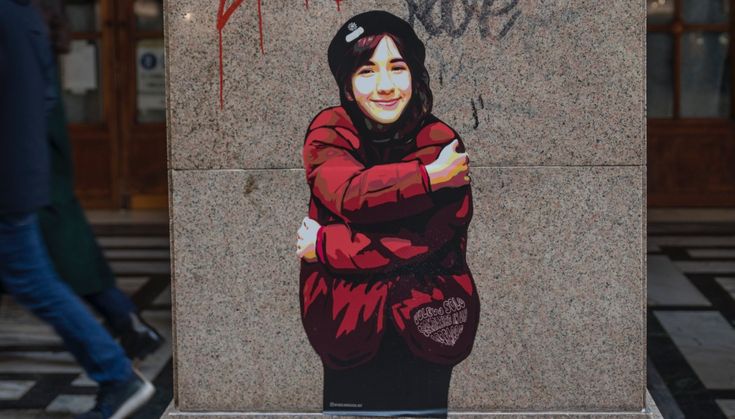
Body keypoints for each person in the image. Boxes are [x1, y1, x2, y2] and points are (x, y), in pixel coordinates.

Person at [296, 10, 480, 417]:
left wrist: (326, 244)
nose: (384, 86)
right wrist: (427, 180)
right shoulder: (329, 131)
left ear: (414, 75)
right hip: (345, 325)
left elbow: (420, 240)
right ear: (347, 86)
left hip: (429, 320)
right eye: (366, 71)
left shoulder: (441, 143)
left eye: (397, 68)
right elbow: (348, 192)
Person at [0, 1, 154, 418]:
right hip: (23, 177)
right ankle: (120, 359)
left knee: (37, 282)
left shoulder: (10, 17)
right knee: (39, 279)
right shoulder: (22, 17)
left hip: (13, 183)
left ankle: (116, 373)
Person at [30, 0, 164, 361]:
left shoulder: (28, 44)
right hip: (42, 180)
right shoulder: (36, 43)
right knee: (69, 268)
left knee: (54, 276)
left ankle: (118, 360)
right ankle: (128, 332)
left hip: (37, 183)